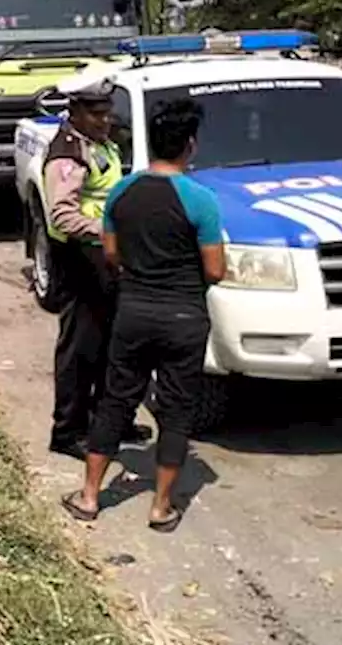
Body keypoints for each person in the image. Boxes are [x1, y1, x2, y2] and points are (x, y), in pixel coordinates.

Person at [61, 98, 225, 533]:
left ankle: (90, 496)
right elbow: (215, 270)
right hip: (185, 318)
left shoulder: (122, 191)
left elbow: (111, 254)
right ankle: (161, 508)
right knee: (176, 410)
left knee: (116, 400)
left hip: (133, 312)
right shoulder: (202, 200)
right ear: (190, 146)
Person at [44, 78, 151, 459]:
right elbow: (61, 215)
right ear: (75, 112)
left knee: (112, 346)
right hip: (79, 258)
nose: (104, 120)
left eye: (107, 113)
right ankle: (68, 431)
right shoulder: (68, 154)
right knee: (80, 349)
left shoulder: (99, 142)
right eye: (95, 114)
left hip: (105, 258)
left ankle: (110, 423)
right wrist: (105, 230)